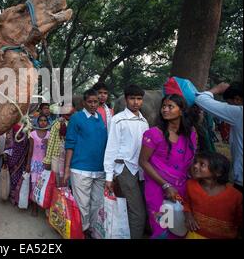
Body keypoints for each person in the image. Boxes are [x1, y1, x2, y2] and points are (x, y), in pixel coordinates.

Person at [139, 94, 197, 239]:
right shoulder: (153, 134)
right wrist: (165, 185)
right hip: (158, 188)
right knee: (163, 227)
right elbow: (143, 161)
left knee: (179, 227)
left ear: (181, 110)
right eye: (163, 106)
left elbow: (191, 161)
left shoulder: (191, 133)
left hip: (182, 187)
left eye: (170, 106)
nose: (165, 110)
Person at [104, 85, 149, 239]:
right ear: (126, 100)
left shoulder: (144, 122)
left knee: (130, 208)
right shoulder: (118, 120)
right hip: (124, 169)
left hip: (141, 171)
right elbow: (111, 149)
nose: (136, 102)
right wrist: (109, 177)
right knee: (138, 212)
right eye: (132, 98)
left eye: (139, 99)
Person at [64, 89, 108, 239]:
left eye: (95, 101)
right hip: (80, 169)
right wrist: (66, 169)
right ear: (84, 102)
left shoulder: (100, 119)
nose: (93, 104)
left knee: (97, 203)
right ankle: (82, 232)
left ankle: (92, 230)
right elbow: (70, 144)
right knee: (82, 205)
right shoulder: (77, 118)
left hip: (100, 170)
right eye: (90, 101)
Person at [194, 82, 243, 193]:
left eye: (229, 103)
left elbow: (200, 99)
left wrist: (217, 89)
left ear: (237, 100)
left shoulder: (239, 112)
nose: (229, 106)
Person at [184, 152, 242, 239]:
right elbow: (186, 203)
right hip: (194, 235)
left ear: (218, 172)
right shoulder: (191, 185)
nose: (195, 166)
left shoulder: (235, 196)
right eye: (196, 162)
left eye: (202, 164)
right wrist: (188, 214)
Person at [43, 103, 75, 186]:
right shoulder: (57, 124)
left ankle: (66, 197)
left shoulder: (76, 123)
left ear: (74, 110)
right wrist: (48, 160)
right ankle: (58, 197)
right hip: (56, 157)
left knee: (68, 182)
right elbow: (51, 142)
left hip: (72, 157)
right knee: (57, 181)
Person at [26, 115, 50, 216]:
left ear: (47, 122)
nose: (43, 122)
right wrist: (28, 164)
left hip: (45, 164)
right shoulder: (33, 134)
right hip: (35, 163)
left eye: (45, 120)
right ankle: (34, 207)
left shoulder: (49, 134)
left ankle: (44, 207)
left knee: (44, 185)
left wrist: (48, 143)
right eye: (41, 120)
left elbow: (51, 151)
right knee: (34, 185)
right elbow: (30, 150)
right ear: (38, 122)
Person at [6, 124, 29, 205]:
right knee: (13, 179)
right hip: (12, 162)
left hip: (22, 163)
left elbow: (27, 150)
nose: (18, 134)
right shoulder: (11, 142)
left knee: (20, 180)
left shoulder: (26, 125)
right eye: (16, 132)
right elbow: (7, 149)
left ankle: (18, 197)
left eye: (20, 133)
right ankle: (12, 196)